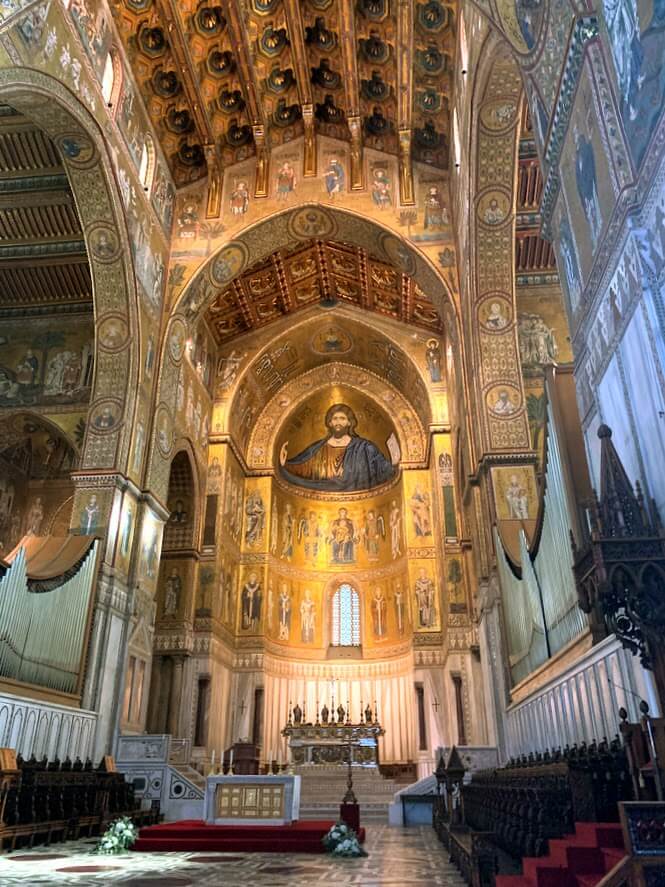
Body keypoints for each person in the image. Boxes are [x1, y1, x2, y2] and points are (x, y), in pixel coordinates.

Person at [279, 403, 397, 492]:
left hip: (361, 499)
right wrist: (285, 464)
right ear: (330, 423)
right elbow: (303, 467)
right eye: (335, 419)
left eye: (342, 418)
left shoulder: (364, 448)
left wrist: (395, 461)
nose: (338, 422)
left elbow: (383, 469)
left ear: (349, 423)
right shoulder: (319, 448)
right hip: (323, 497)